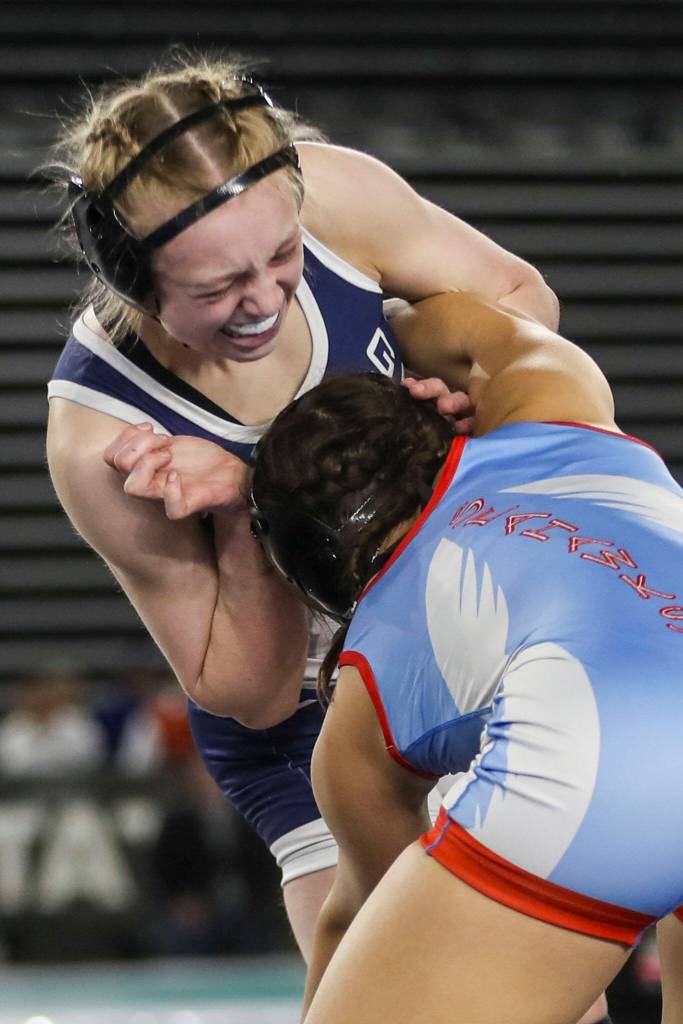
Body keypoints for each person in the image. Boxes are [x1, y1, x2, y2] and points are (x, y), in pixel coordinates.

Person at [44, 51, 560, 965]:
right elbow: (250, 690)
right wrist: (244, 520)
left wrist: (448, 389)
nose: (265, 300)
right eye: (213, 291)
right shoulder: (104, 440)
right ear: (130, 276)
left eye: (281, 255)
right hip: (306, 711)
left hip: (458, 628)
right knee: (399, 980)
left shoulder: (336, 193)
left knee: (551, 990)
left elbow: (522, 304)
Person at [248, 292, 683, 1024]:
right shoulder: (552, 397)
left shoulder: (367, 693)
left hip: (613, 772)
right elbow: (444, 312)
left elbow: (358, 922)